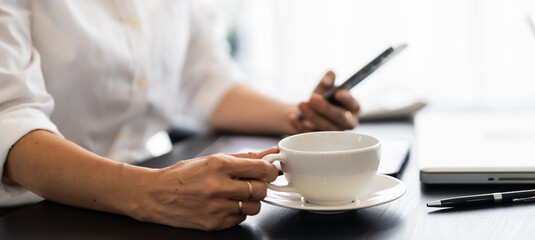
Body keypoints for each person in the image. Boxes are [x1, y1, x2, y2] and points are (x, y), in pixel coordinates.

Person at [0, 1, 360, 231]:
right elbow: (9, 120)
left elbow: (208, 82)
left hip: (145, 194)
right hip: (30, 213)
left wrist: (301, 119)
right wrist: (147, 192)